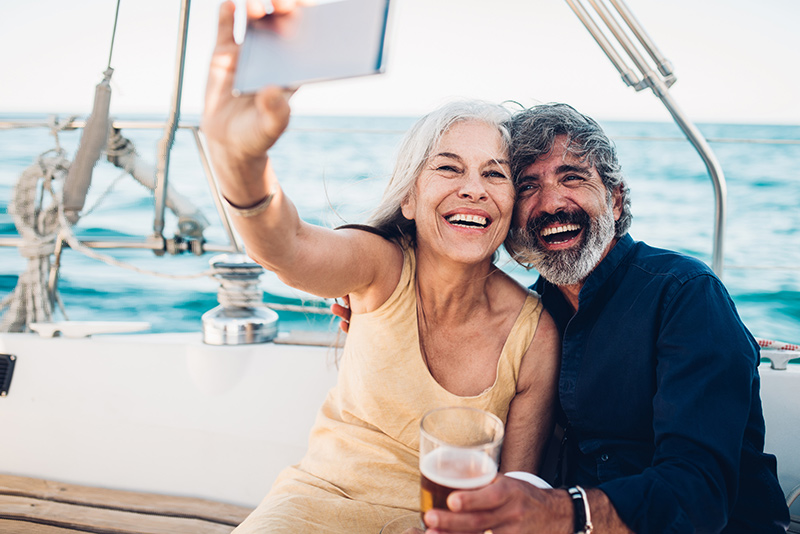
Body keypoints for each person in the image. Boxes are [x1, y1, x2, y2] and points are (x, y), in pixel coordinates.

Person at [201, 3, 560, 534]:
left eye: (496, 174)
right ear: (410, 199)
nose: (473, 188)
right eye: (448, 167)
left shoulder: (534, 335)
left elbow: (514, 501)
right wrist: (241, 163)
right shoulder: (381, 266)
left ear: (511, 206)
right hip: (313, 506)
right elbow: (289, 247)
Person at [415, 103, 790, 533]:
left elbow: (699, 494)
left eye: (572, 178)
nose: (551, 203)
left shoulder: (686, 295)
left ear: (615, 199)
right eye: (528, 186)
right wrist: (398, 304)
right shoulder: (531, 316)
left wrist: (561, 512)